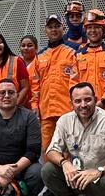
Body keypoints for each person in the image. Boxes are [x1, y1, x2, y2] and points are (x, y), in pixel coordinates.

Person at [30, 14, 80, 155]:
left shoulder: (74, 51)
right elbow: (35, 84)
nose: (54, 30)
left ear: (63, 28)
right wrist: (34, 105)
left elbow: (78, 81)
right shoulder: (39, 56)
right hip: (46, 112)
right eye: (50, 27)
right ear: (45, 30)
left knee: (71, 149)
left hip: (68, 110)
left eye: (57, 26)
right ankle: (49, 176)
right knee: (48, 149)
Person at [74, 10, 105, 122]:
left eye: (96, 27)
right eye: (89, 27)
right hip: (85, 112)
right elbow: (73, 82)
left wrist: (104, 101)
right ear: (85, 30)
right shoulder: (79, 55)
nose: (93, 31)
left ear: (103, 29)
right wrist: (81, 103)